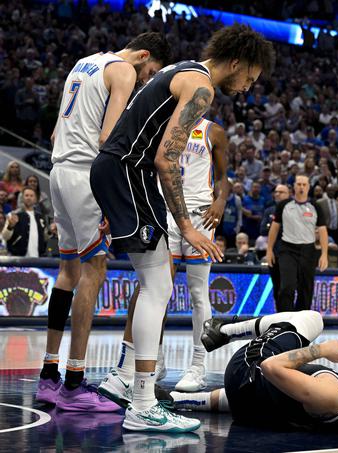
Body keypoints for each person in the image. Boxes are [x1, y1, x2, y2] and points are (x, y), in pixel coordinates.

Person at [90, 24, 274, 432]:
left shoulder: (181, 68)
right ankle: (140, 402)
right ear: (238, 63)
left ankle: (126, 382)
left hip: (118, 172)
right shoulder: (202, 87)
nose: (247, 88)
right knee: (158, 286)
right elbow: (165, 159)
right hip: (128, 172)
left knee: (155, 284)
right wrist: (188, 226)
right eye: (250, 79)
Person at [34, 32, 171, 412]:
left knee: (68, 271)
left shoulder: (84, 62)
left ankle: (49, 377)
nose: (146, 80)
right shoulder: (123, 69)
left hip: (58, 172)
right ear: (143, 55)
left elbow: (55, 131)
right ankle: (75, 383)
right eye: (150, 72)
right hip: (83, 175)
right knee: (94, 270)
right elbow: (108, 138)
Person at [98, 117, 229, 401]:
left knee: (198, 292)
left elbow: (222, 179)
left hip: (201, 215)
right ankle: (155, 362)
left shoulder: (213, 131)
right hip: (165, 213)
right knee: (159, 289)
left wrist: (221, 200)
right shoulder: (162, 126)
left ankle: (197, 366)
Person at [170, 311, 338, 437]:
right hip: (248, 403)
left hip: (245, 370)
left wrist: (320, 350)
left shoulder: (332, 397)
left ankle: (225, 329)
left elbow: (271, 367)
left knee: (311, 320)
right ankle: (177, 400)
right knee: (271, 392)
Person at [265, 175, 328, 312]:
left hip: (308, 250)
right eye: (298, 184)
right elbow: (274, 229)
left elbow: (322, 231)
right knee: (287, 285)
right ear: (293, 186)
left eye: (304, 184)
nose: (301, 187)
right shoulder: (284, 205)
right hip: (287, 249)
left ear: (308, 187)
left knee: (306, 288)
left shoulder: (315, 206)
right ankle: (284, 318)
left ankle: (301, 320)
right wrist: (269, 250)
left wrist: (324, 254)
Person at [260, 184, 290, 311]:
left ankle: (291, 313)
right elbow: (262, 230)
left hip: (290, 253)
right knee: (277, 285)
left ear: (288, 194)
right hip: (274, 252)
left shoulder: (293, 210)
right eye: (276, 192)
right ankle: (280, 313)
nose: (278, 194)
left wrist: (273, 228)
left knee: (288, 286)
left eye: (281, 192)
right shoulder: (269, 211)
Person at [2, 187, 47, 257]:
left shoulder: (40, 217)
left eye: (31, 196)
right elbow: (5, 237)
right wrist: (10, 226)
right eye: (26, 195)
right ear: (22, 198)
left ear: (35, 199)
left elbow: (44, 238)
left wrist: (50, 232)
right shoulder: (13, 214)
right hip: (18, 259)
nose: (29, 198)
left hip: (38, 259)